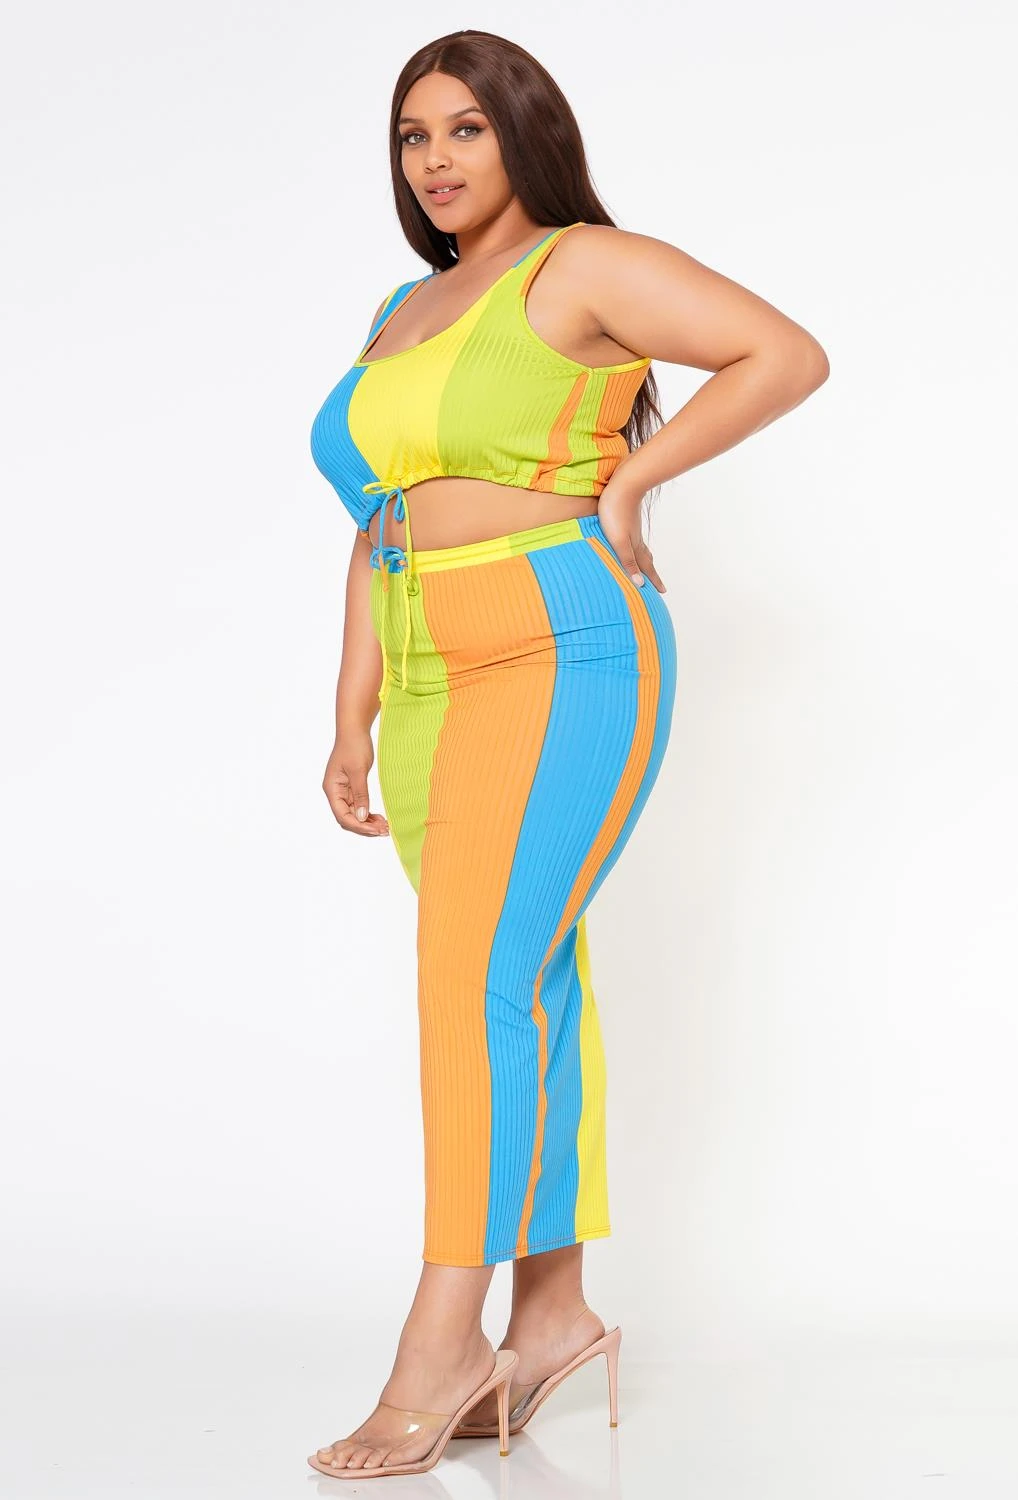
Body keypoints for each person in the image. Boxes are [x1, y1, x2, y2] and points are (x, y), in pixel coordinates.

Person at [307, 27, 829, 1480]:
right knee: (523, 980)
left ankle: (442, 1337)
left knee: (473, 978)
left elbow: (783, 354)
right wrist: (351, 707)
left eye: (466, 128)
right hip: (422, 664)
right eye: (413, 136)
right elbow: (378, 520)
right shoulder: (402, 308)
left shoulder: (582, 266)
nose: (436, 159)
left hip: (558, 643)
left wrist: (631, 485)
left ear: (525, 133)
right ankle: (552, 1319)